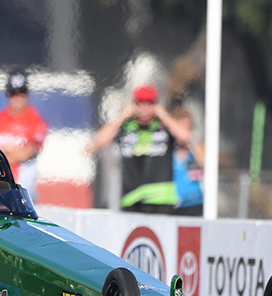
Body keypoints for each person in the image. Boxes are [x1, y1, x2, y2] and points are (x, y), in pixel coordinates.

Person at [85, 85, 191, 214]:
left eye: (149, 103)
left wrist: (163, 114)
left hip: (161, 199)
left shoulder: (163, 125)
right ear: (134, 105)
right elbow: (97, 142)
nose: (145, 108)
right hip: (132, 198)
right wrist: (122, 117)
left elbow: (186, 137)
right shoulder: (126, 126)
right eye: (140, 103)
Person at [0, 72, 49, 202]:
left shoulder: (36, 123)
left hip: (19, 190)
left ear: (27, 94)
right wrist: (9, 151)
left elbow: (24, 153)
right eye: (14, 94)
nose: (18, 98)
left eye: (22, 93)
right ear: (8, 95)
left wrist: (0, 153)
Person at [172, 104, 204, 216]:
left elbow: (204, 161)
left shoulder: (196, 146)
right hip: (173, 203)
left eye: (186, 128)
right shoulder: (170, 148)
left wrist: (190, 141)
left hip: (194, 202)